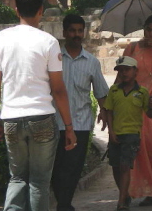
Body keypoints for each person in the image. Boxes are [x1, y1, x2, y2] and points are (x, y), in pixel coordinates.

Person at [0, 0, 76, 211]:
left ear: (16, 10)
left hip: (11, 118)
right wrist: (68, 127)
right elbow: (58, 89)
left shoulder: (2, 38)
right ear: (41, 11)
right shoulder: (49, 42)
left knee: (17, 178)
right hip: (42, 118)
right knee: (39, 181)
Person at [51, 14, 110, 211]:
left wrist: (106, 114)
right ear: (64, 32)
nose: (76, 35)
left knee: (73, 169)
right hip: (55, 123)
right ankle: (64, 204)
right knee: (56, 170)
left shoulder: (92, 62)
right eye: (72, 30)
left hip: (82, 125)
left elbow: (102, 93)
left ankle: (64, 205)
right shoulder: (54, 60)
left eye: (79, 30)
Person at [120, 15, 152, 206]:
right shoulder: (133, 48)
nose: (150, 34)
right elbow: (122, 74)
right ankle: (134, 190)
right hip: (132, 103)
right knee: (135, 147)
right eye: (148, 29)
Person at [104, 56, 152, 211]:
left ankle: (121, 203)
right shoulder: (114, 91)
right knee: (115, 166)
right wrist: (111, 131)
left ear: (135, 71)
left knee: (125, 166)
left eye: (127, 69)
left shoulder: (142, 92)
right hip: (116, 133)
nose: (124, 73)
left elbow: (150, 114)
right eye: (120, 70)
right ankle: (124, 194)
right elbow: (109, 111)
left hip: (132, 134)